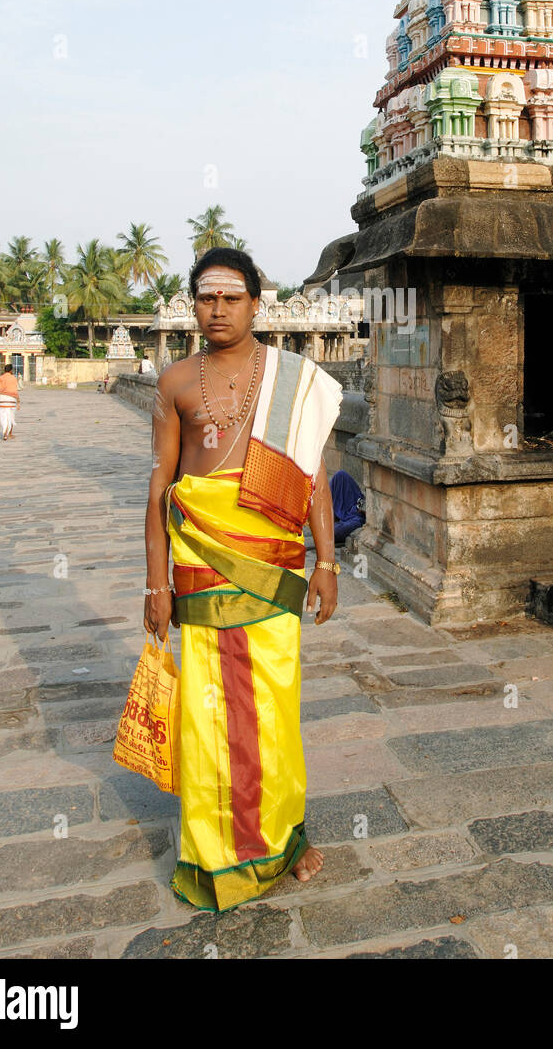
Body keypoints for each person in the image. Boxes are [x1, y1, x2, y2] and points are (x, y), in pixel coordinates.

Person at [143, 247, 342, 912]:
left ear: (258, 302)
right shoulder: (174, 384)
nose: (218, 309)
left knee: (273, 709)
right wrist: (155, 583)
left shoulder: (294, 380)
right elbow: (160, 487)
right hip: (200, 565)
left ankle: (284, 840)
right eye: (206, 298)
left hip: (275, 566)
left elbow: (311, 478)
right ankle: (214, 854)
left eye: (232, 297)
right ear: (192, 304)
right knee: (208, 713)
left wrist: (328, 562)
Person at [330, 469, 365, 544]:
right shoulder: (334, 490)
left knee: (334, 532)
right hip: (339, 520)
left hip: (353, 518)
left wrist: (357, 509)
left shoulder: (355, 497)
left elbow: (360, 511)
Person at [0, 363, 20, 439]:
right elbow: (15, 391)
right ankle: (9, 433)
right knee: (11, 416)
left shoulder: (0, 378)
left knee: (3, 417)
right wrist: (18, 402)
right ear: (11, 370)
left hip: (2, 399)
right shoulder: (13, 378)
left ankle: (5, 431)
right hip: (11, 399)